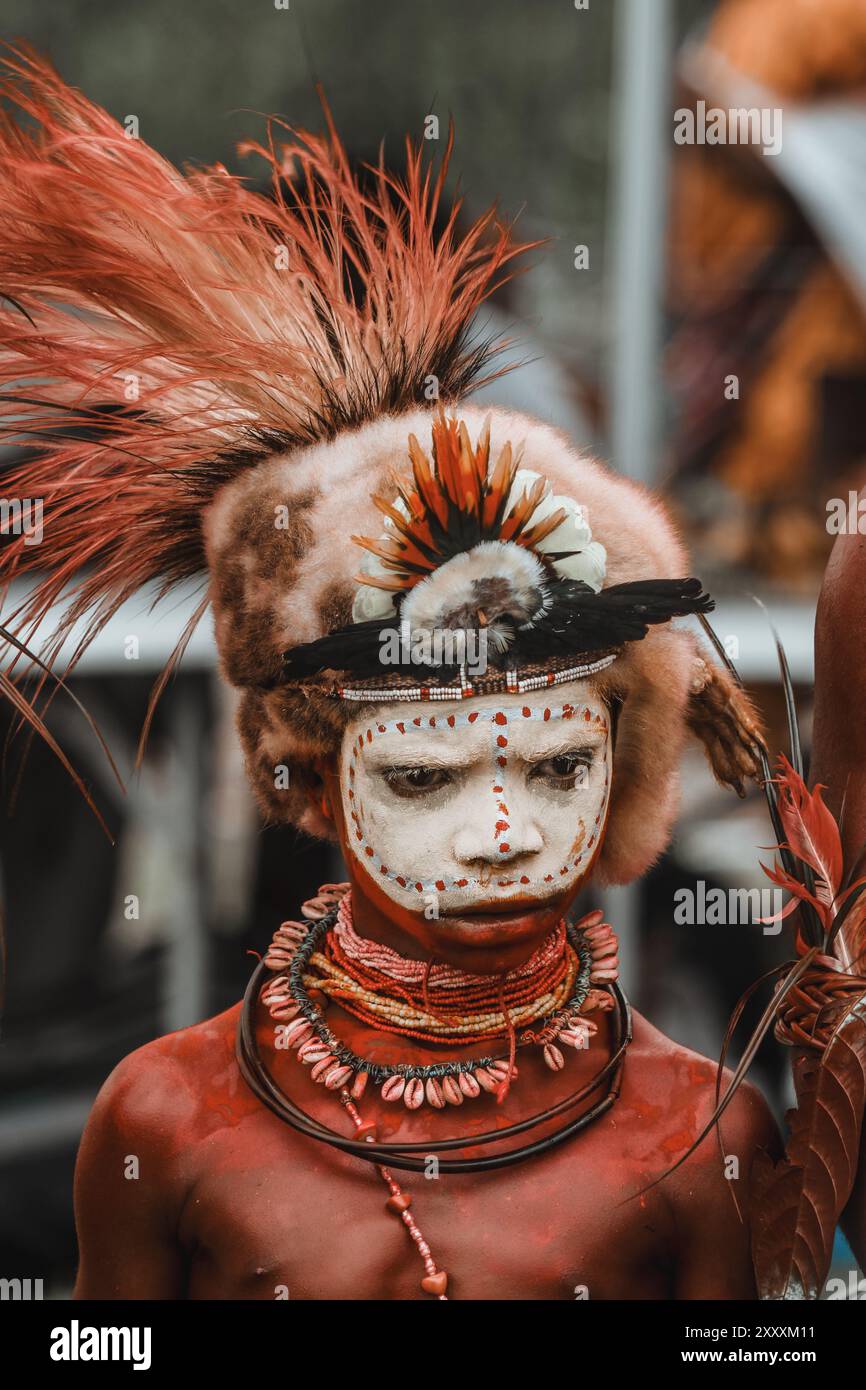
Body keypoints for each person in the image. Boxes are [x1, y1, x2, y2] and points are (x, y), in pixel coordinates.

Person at [0, 47, 824, 1301]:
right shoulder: (161, 1122)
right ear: (304, 780)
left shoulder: (699, 1136)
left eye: (558, 768)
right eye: (425, 777)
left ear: (623, 774)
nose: (503, 834)